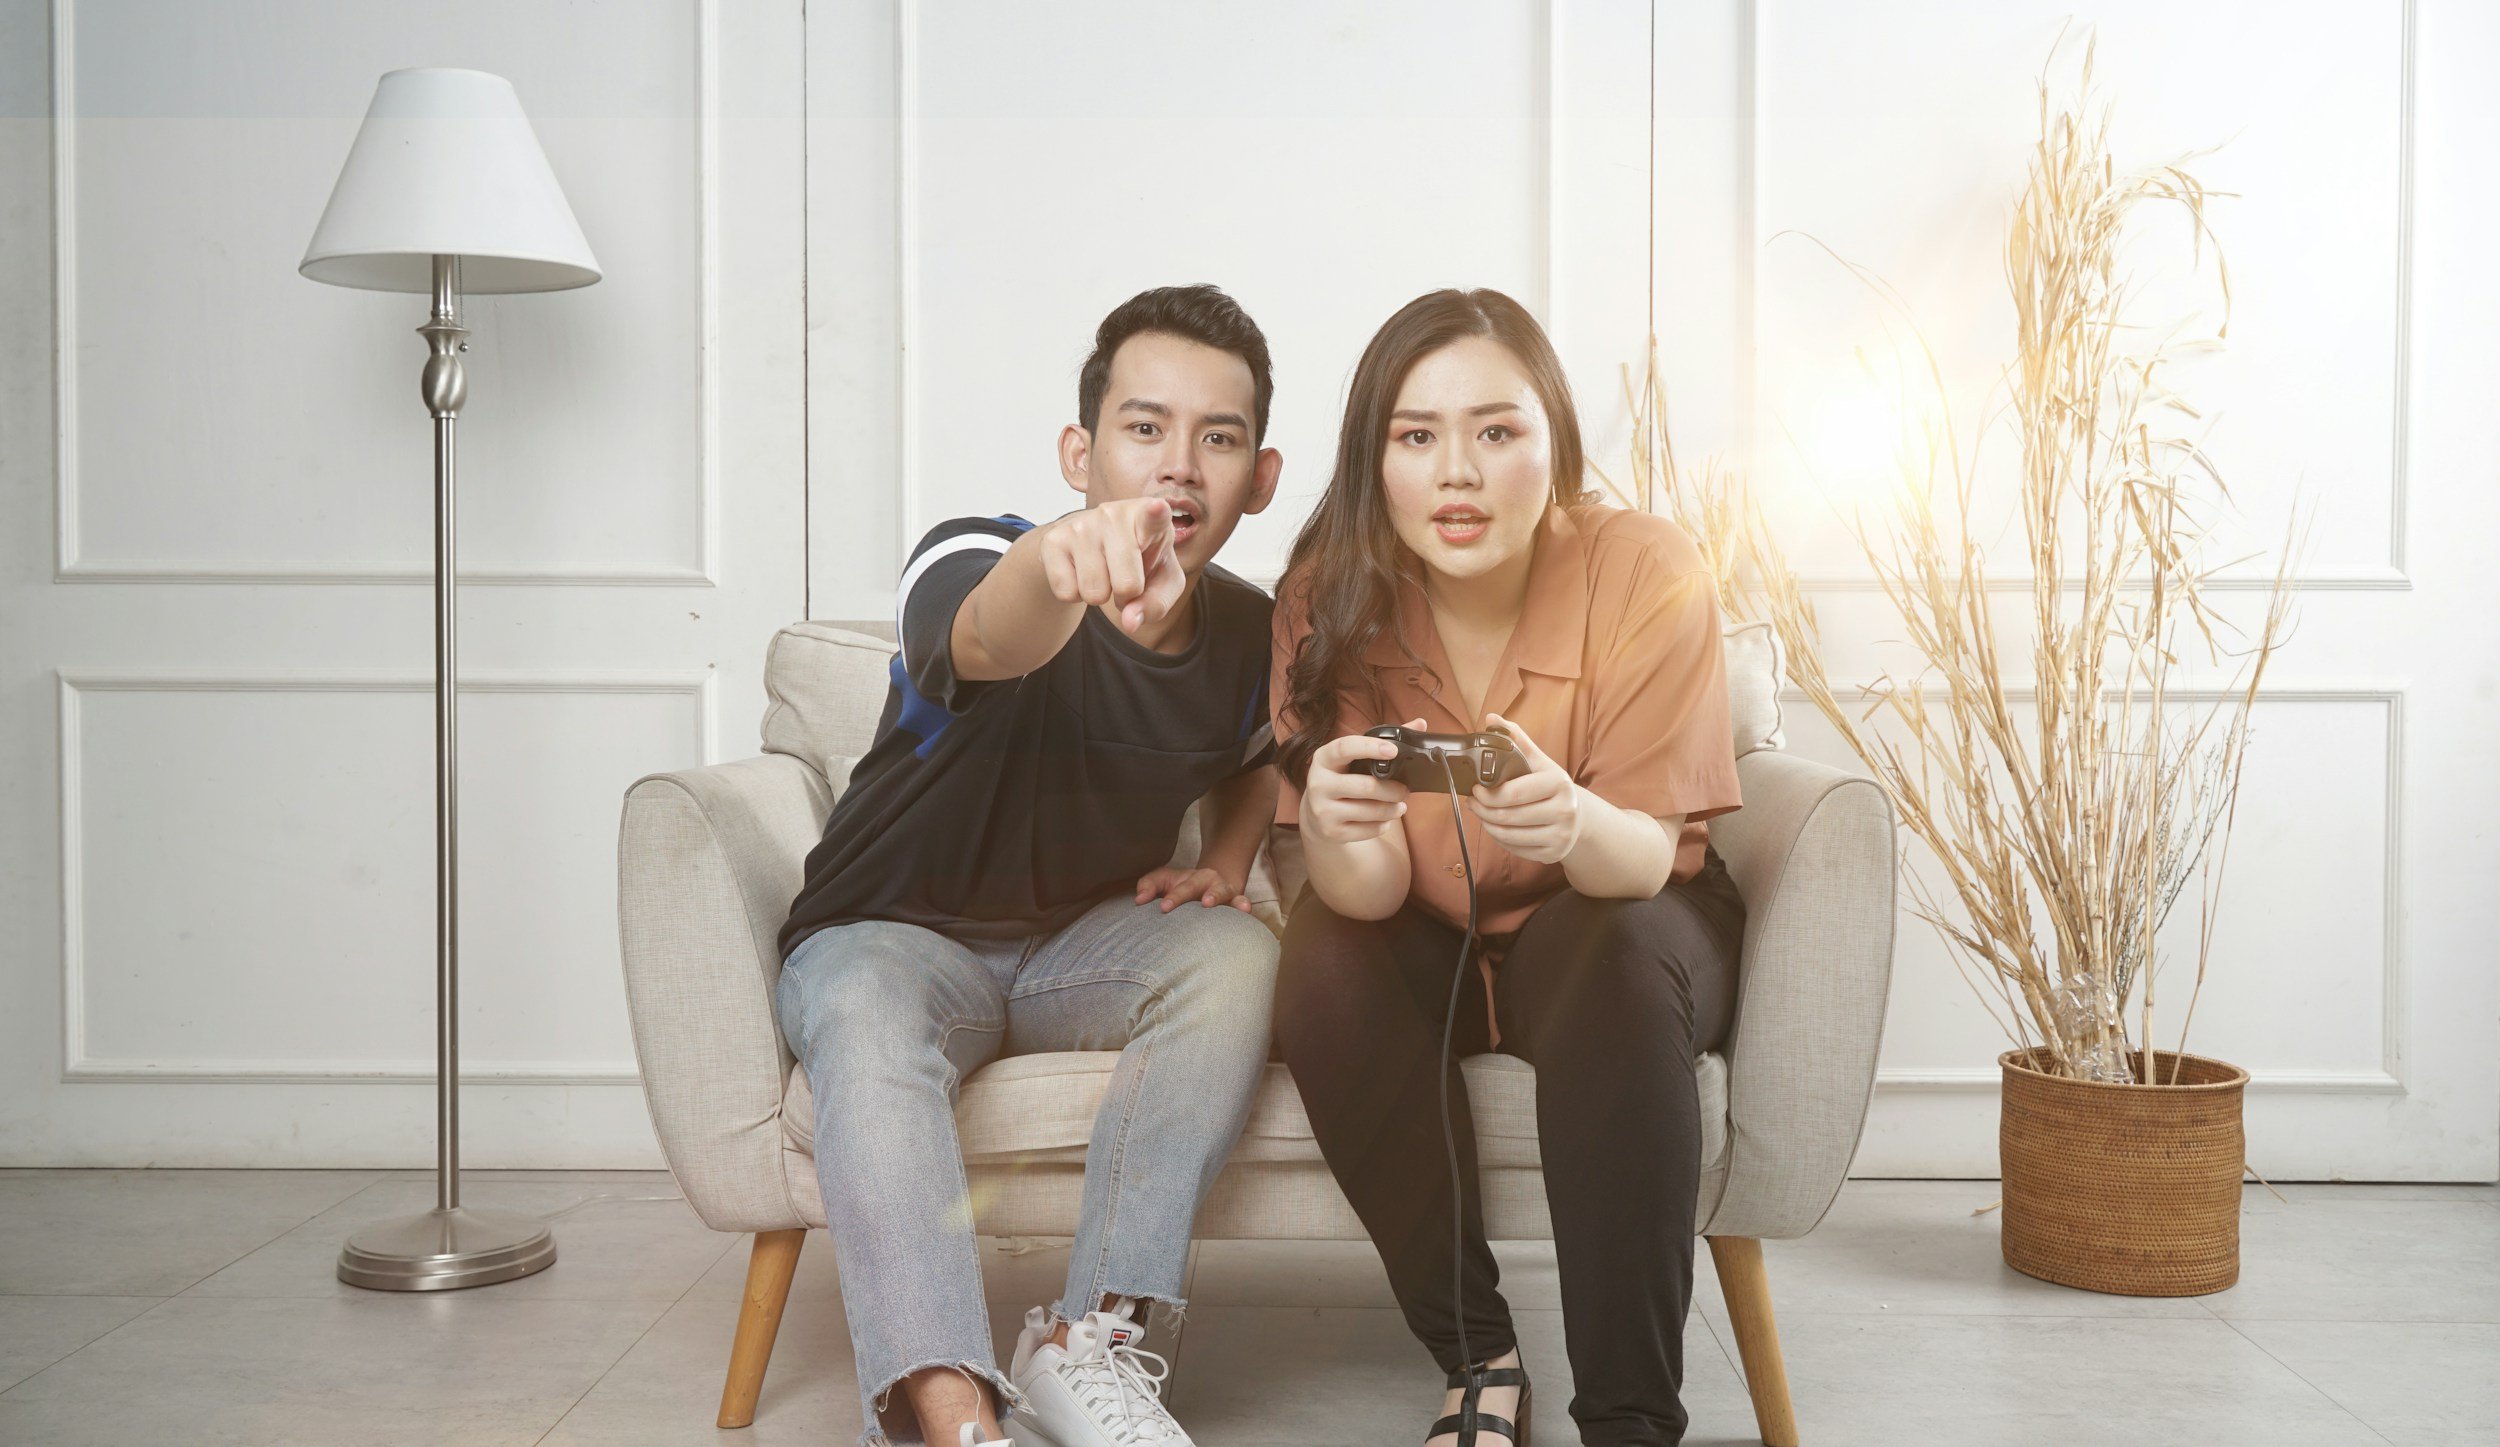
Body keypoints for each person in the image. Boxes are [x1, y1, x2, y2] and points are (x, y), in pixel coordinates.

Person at [774, 284, 1286, 1447]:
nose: (1180, 467)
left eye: (1219, 437)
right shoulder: (975, 555)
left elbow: (1258, 758)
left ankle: (1087, 1343)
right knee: (857, 1002)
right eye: (1144, 428)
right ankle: (952, 1410)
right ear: (1080, 451)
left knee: (1238, 951)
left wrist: (1232, 859)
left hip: (1072, 949)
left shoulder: (1253, 635)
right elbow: (986, 635)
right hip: (885, 935)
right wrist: (1063, 563)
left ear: (1259, 476)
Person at [1268, 288, 1748, 1447]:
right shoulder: (1324, 596)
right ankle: (1476, 1357)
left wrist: (1573, 817)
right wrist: (1339, 831)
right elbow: (1369, 898)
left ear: (1556, 442)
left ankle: (1631, 1419)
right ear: (1373, 455)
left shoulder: (1648, 569)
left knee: (1615, 946)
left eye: (1496, 431)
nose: (1458, 475)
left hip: (1618, 909)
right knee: (1323, 959)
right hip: (1423, 923)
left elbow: (1642, 861)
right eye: (1416, 435)